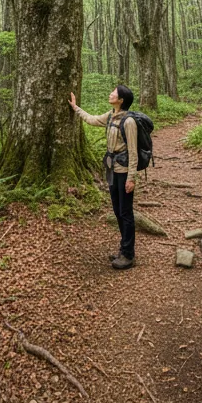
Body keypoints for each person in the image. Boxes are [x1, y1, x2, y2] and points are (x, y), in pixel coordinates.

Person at [68, 85, 138, 270]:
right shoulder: (110, 116)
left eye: (114, 92)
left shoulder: (129, 122)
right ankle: (123, 248)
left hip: (124, 172)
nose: (111, 93)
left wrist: (131, 178)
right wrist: (76, 108)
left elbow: (133, 152)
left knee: (125, 212)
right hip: (112, 169)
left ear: (121, 99)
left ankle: (128, 254)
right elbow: (91, 120)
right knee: (117, 210)